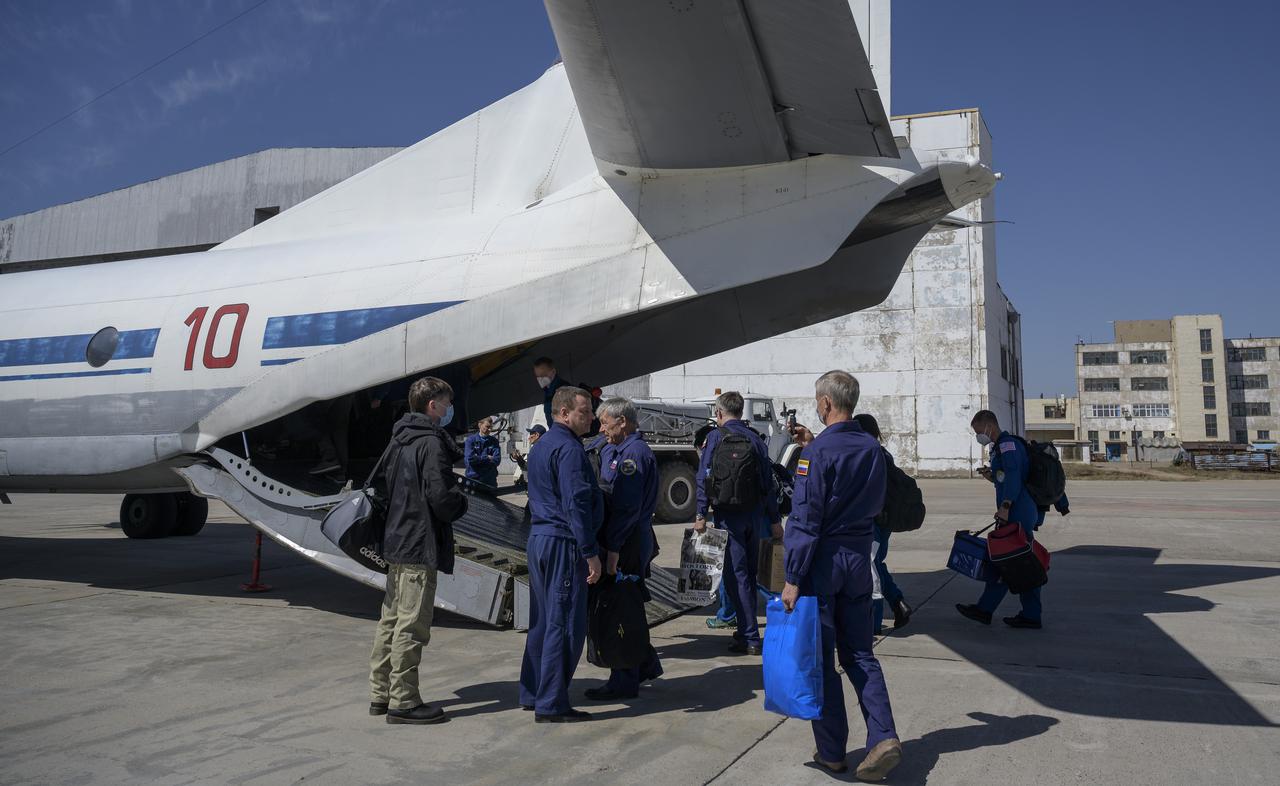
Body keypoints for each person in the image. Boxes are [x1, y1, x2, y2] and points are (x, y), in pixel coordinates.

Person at [782, 371, 902, 780]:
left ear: (827, 403)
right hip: (858, 558)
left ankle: (832, 751)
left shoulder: (814, 455)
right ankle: (883, 735)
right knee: (860, 654)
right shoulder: (872, 448)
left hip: (823, 562)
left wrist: (793, 576)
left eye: (818, 400)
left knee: (821, 661)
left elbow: (806, 517)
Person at [368, 377, 468, 725]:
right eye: (446, 402)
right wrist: (461, 502)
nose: (448, 409)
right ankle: (404, 701)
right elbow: (441, 498)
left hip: (396, 540)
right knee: (412, 625)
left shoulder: (398, 438)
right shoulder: (431, 444)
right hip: (418, 542)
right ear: (432, 406)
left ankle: (381, 693)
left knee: (391, 620)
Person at [519, 386, 603, 722]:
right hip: (563, 542)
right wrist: (590, 551)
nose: (592, 417)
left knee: (541, 621)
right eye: (585, 411)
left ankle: (532, 690)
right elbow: (576, 503)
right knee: (564, 622)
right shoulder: (569, 449)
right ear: (564, 413)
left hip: (540, 538)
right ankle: (551, 703)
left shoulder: (542, 447)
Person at [584, 397, 664, 700]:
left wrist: (614, 549)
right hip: (623, 537)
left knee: (621, 608)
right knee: (626, 604)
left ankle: (625, 678)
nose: (601, 427)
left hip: (627, 540)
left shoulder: (633, 455)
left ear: (624, 422)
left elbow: (628, 508)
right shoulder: (614, 450)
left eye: (606, 422)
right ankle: (642, 664)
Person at [695, 391, 781, 655]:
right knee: (750, 574)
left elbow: (703, 478)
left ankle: (750, 636)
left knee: (737, 576)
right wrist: (775, 519)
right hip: (754, 515)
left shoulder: (714, 438)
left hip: (726, 516)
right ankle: (747, 630)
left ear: (719, 413)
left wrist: (700, 514)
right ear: (741, 412)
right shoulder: (755, 439)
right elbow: (768, 482)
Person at [957, 410, 1044, 629]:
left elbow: (1014, 477)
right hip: (1015, 509)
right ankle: (990, 610)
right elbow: (1005, 477)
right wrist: (992, 476)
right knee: (1012, 561)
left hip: (1017, 510)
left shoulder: (1007, 445)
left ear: (989, 427)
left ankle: (1016, 613)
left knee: (1018, 562)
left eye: (979, 432)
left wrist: (1005, 506)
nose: (979, 437)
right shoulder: (1000, 447)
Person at [852, 413, 913, 635]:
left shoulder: (868, 453)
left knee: (871, 571)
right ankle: (898, 602)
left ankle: (874, 622)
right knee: (876, 565)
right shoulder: (882, 452)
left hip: (873, 522)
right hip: (883, 521)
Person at [463, 417, 502, 487]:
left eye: (491, 427)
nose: (490, 429)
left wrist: (478, 459)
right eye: (487, 427)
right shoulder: (470, 440)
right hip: (474, 480)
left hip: (490, 481)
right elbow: (471, 459)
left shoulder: (494, 441)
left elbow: (497, 460)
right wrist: (487, 458)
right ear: (480, 425)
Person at [533, 357, 570, 426]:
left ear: (553, 371)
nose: (540, 379)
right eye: (538, 376)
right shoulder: (548, 391)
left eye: (543, 375)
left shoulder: (563, 390)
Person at [510, 424, 545, 489]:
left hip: (538, 487)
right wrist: (518, 458)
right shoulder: (542, 448)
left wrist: (518, 458)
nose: (529, 437)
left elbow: (529, 468)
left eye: (531, 434)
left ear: (537, 435)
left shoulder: (537, 450)